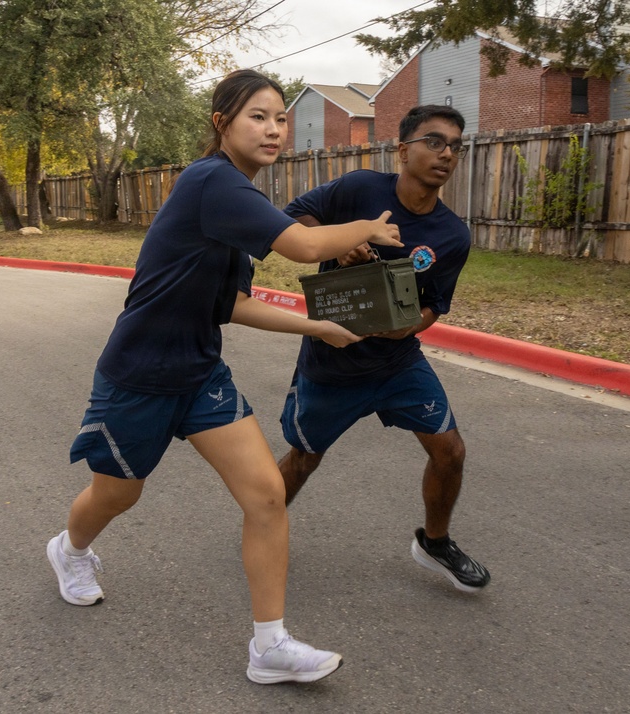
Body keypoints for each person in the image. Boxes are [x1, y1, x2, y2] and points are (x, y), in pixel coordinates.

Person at [46, 69, 403, 685]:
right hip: (139, 373)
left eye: (279, 118)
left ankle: (270, 646)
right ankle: (70, 551)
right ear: (222, 124)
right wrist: (368, 228)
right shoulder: (212, 180)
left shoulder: (241, 202)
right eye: (256, 116)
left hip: (200, 372)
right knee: (118, 494)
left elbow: (232, 304)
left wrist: (320, 328)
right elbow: (304, 246)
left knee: (266, 493)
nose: (272, 129)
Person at [278, 105, 490, 593]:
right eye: (434, 141)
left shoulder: (452, 235)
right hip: (333, 358)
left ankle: (434, 543)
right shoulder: (359, 190)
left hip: (397, 363)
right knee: (304, 458)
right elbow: (293, 220)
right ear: (403, 149)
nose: (446, 153)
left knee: (450, 451)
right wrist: (337, 246)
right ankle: (262, 525)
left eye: (455, 145)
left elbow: (435, 304)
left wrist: (405, 328)